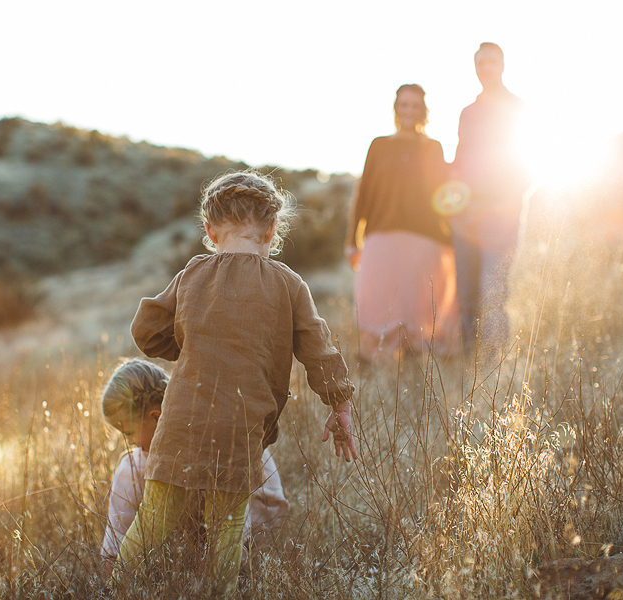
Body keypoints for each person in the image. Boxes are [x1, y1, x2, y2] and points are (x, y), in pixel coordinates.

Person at [113, 170, 358, 594]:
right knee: (227, 534)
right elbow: (319, 351)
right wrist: (339, 403)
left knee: (151, 525)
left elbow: (145, 330)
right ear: (271, 229)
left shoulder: (192, 274)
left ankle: (113, 590)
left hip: (180, 425)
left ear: (209, 230)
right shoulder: (289, 284)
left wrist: (191, 348)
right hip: (241, 429)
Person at [99, 358, 290, 575]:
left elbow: (244, 520)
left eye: (128, 433)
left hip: (254, 533)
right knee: (130, 467)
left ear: (156, 417)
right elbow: (115, 540)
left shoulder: (219, 437)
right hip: (194, 544)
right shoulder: (134, 466)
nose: (130, 442)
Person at [345, 84, 458, 362]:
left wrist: (454, 237)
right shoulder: (379, 145)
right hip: (381, 233)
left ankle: (416, 358)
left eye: (415, 105)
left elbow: (443, 193)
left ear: (424, 111)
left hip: (425, 237)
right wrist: (351, 240)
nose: (409, 110)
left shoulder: (434, 147)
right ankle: (373, 358)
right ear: (396, 109)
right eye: (404, 104)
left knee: (419, 304)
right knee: (374, 297)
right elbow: (364, 193)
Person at [451, 43, 531, 360]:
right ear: (474, 67)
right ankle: (469, 359)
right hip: (466, 217)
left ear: (502, 65)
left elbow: (529, 165)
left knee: (493, 291)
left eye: (492, 61)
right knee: (467, 294)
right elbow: (459, 162)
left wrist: (505, 205)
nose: (486, 67)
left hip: (501, 218)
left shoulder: (518, 108)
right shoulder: (467, 113)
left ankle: (494, 365)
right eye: (480, 62)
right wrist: (455, 210)